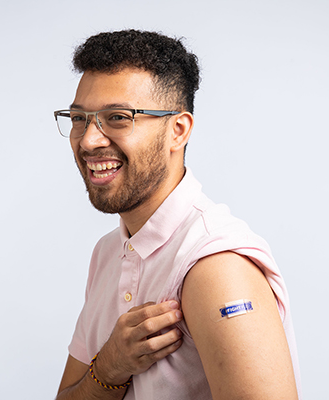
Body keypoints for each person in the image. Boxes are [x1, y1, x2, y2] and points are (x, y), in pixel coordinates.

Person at [54, 29, 301, 399]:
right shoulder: (109, 252)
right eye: (79, 119)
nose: (89, 140)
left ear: (178, 130)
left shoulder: (217, 267)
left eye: (118, 117)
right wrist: (109, 366)